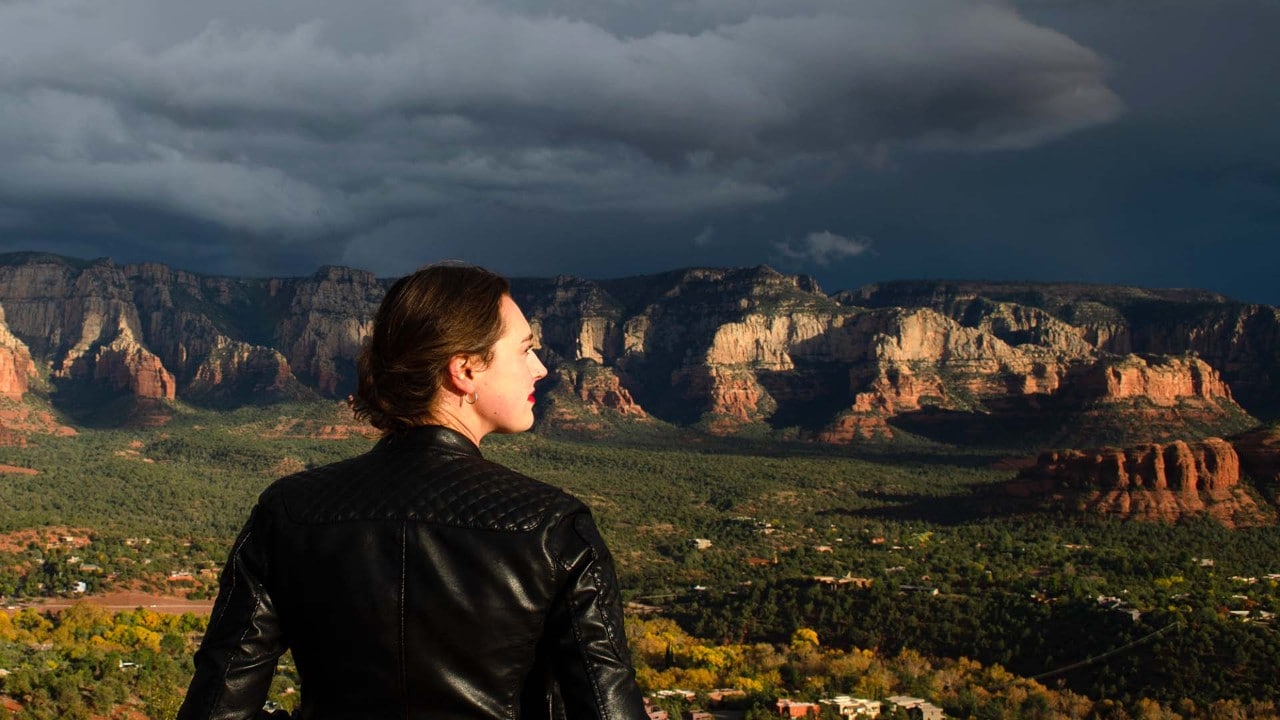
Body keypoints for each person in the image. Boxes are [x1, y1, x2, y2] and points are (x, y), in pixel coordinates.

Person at [177, 264, 647, 720]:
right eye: (525, 350)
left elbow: (216, 705)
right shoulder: (553, 527)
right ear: (464, 369)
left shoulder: (288, 511)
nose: (542, 369)